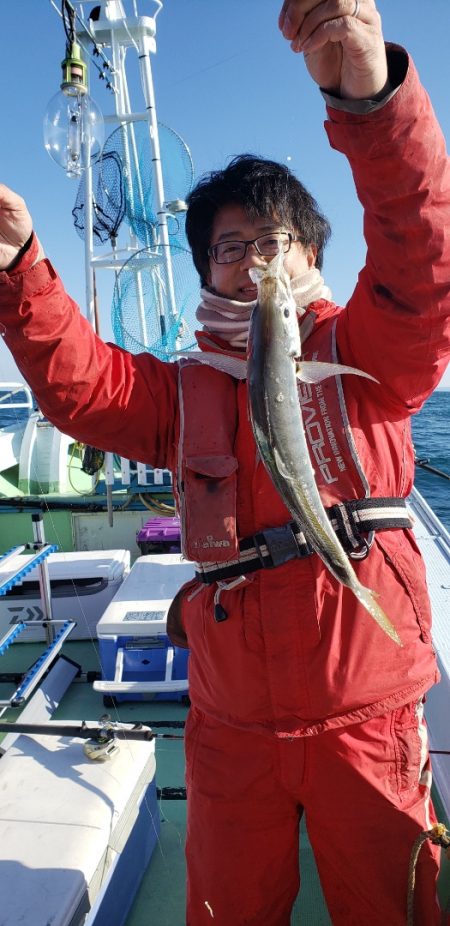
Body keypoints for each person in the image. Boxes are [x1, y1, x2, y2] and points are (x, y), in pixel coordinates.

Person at [0, 1, 449, 922]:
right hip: (229, 724)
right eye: (229, 249)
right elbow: (81, 384)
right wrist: (19, 270)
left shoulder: (368, 351)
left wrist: (371, 100)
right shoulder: (182, 393)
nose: (251, 264)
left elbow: (421, 255)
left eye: (272, 242)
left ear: (313, 253)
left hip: (365, 713)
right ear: (206, 273)